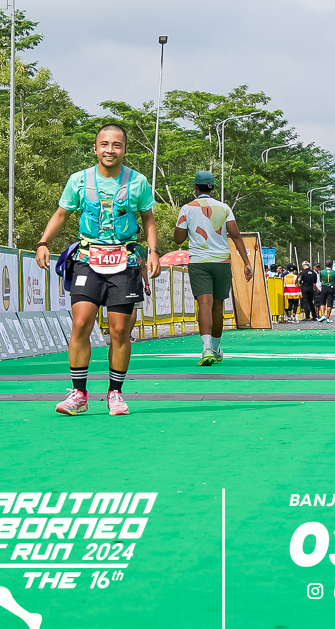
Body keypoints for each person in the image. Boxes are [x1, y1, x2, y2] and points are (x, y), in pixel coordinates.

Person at [35, 124, 156, 416]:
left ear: (124, 150)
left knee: (120, 330)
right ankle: (78, 393)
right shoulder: (79, 180)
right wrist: (43, 242)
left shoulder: (138, 182)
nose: (109, 150)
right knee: (80, 324)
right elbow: (61, 213)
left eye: (116, 145)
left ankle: (115, 393)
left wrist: (153, 252)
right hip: (87, 260)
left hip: (125, 263)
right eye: (104, 144)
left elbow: (149, 219)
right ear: (95, 148)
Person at [175, 169, 252, 367]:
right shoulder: (224, 208)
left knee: (204, 304)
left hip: (199, 262)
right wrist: (246, 262)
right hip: (222, 262)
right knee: (218, 306)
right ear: (212, 187)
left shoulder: (187, 208)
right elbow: (235, 235)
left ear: (195, 186)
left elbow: (178, 239)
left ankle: (206, 348)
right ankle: (217, 349)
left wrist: (187, 226)